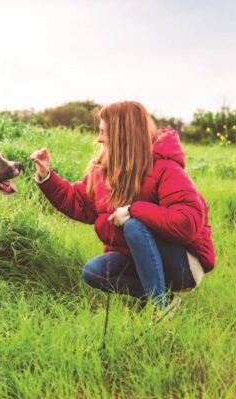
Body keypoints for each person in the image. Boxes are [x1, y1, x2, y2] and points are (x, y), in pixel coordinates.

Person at [30, 101, 215, 313]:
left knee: (134, 225)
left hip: (183, 265)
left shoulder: (166, 167)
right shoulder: (104, 171)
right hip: (135, 257)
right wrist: (47, 177)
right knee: (93, 272)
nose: (98, 138)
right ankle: (165, 298)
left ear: (122, 136)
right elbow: (80, 203)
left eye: (103, 132)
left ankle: (159, 308)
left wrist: (134, 209)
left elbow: (187, 223)